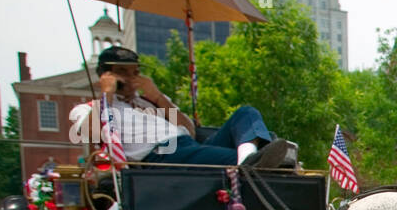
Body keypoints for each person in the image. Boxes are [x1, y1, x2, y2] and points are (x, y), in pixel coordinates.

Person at [70, 46, 295, 167]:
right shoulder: (92, 108)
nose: (132, 78)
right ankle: (253, 162)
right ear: (106, 75)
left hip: (188, 147)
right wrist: (107, 93)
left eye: (135, 72)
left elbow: (190, 130)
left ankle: (248, 159)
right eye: (123, 72)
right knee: (235, 160)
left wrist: (158, 97)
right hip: (162, 155)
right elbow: (91, 133)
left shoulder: (150, 101)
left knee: (246, 113)